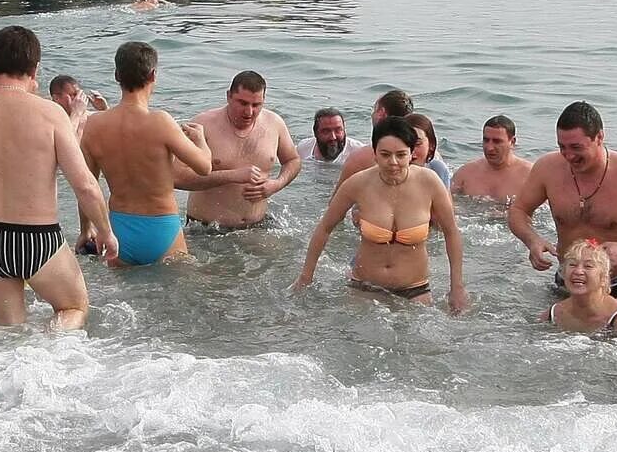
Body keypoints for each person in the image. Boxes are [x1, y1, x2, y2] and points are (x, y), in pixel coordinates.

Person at [0, 26, 116, 328]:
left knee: (8, 329)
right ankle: (51, 355)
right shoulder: (50, 114)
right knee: (72, 308)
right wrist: (105, 231)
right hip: (38, 237)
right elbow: (85, 185)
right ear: (35, 67)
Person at [508, 101, 617, 306]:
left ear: (600, 137)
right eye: (562, 147)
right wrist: (532, 240)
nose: (569, 156)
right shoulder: (547, 168)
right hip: (567, 282)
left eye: (576, 147)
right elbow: (519, 211)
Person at [294, 116, 470, 312]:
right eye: (385, 155)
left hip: (415, 289)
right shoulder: (358, 184)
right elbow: (325, 228)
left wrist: (457, 287)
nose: (393, 162)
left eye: (401, 155)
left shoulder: (429, 182)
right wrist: (306, 277)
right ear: (375, 154)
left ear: (411, 154)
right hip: (364, 286)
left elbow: (451, 232)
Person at [80, 41, 214, 266]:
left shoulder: (93, 125)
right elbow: (204, 167)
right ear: (153, 75)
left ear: (116, 75)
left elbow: (87, 186)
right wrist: (201, 140)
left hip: (119, 229)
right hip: (162, 228)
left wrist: (87, 230)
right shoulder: (160, 121)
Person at [183, 71, 302, 227]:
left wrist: (277, 184)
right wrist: (233, 175)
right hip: (205, 228)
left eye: (256, 105)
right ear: (228, 96)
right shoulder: (203, 125)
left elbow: (293, 160)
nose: (249, 112)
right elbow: (178, 178)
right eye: (243, 103)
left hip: (257, 226)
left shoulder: (274, 123)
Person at [450, 115, 534, 203]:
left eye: (497, 141)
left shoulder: (530, 175)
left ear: (512, 142)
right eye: (486, 140)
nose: (490, 148)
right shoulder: (465, 174)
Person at [339, 89, 416, 182]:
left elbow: (340, 194)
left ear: (381, 113)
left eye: (374, 109)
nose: (372, 115)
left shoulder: (360, 158)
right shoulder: (425, 153)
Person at [406, 113, 450, 181]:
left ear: (431, 145)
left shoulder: (438, 169)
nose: (411, 151)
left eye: (417, 144)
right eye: (406, 143)